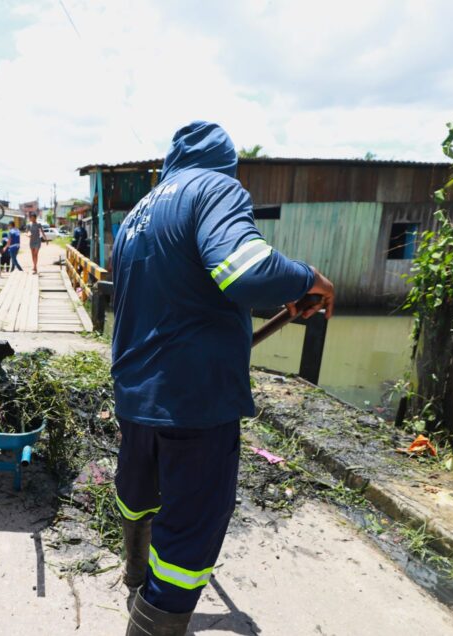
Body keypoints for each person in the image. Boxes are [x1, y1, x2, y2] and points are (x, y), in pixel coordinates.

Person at [110, 121, 335, 636]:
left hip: (136, 393)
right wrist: (308, 277)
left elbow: (176, 291)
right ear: (227, 165)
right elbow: (245, 272)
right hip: (194, 403)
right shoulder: (216, 188)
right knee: (188, 540)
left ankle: (134, 574)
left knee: (137, 492)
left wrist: (279, 296)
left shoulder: (137, 216)